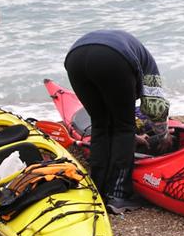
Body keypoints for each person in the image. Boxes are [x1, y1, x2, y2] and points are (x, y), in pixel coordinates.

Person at [64, 30, 172, 213]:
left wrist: (134, 136)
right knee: (124, 128)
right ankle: (118, 196)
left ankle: (97, 189)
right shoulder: (149, 67)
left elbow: (112, 108)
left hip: (75, 58)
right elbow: (155, 105)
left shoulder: (136, 54)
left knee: (100, 124)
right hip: (112, 57)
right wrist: (163, 135)